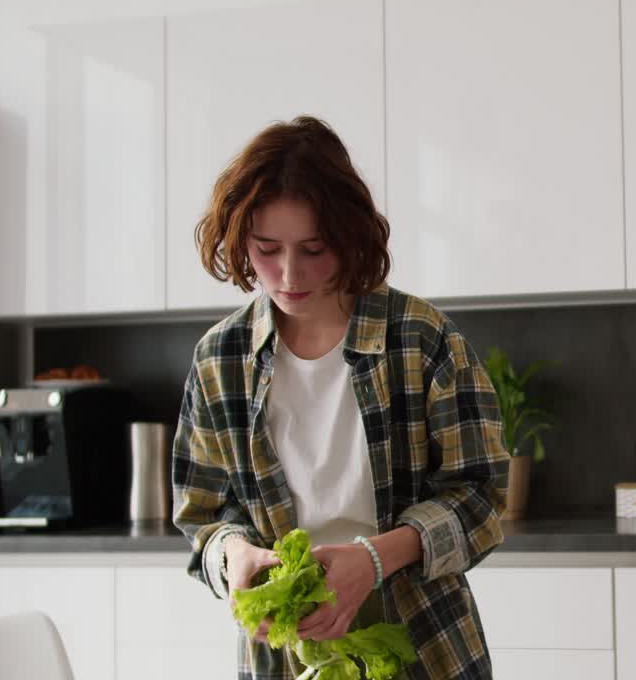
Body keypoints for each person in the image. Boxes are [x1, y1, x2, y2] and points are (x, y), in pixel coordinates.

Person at [172, 116, 509, 679]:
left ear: (349, 236)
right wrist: (233, 555)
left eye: (314, 248)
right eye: (267, 249)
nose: (289, 274)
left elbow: (483, 498)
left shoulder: (419, 338)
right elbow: (202, 515)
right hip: (286, 659)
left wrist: (376, 559)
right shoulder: (220, 359)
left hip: (426, 646)